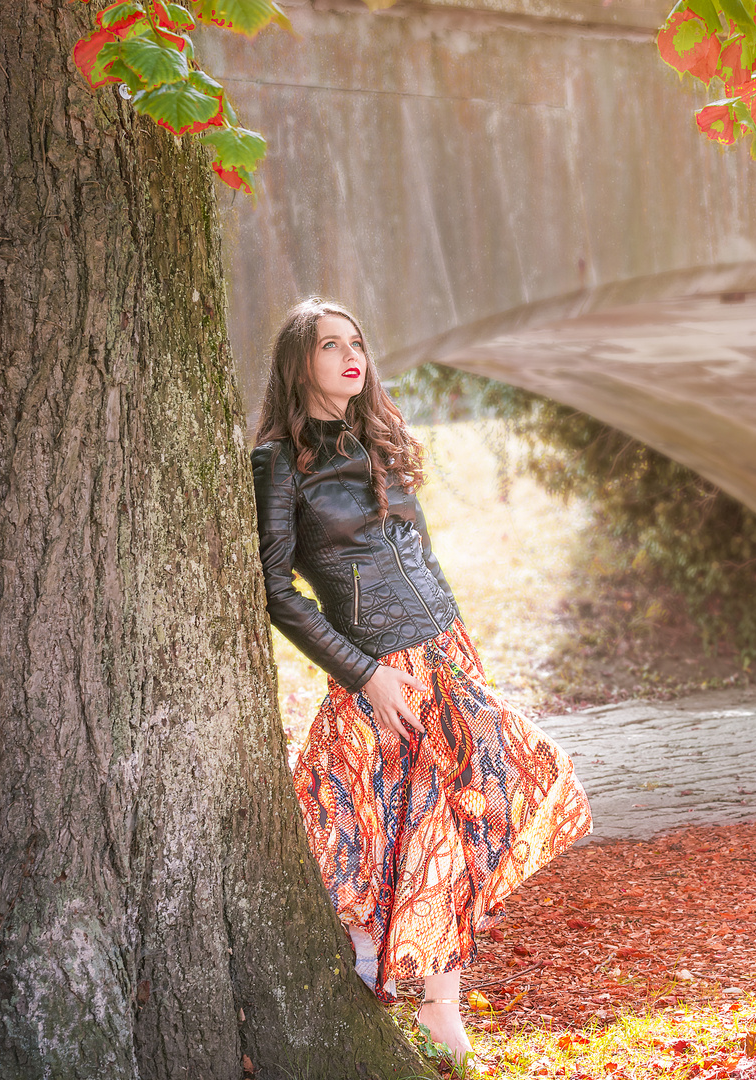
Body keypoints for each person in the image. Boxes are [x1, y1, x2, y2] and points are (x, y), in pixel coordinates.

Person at [250, 297, 592, 1063]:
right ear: (298, 362)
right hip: (376, 662)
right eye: (330, 344)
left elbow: (423, 557)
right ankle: (375, 947)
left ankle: (440, 1002)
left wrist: (462, 657)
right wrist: (367, 675)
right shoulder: (278, 461)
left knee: (487, 797)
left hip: (443, 649)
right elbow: (277, 592)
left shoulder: (380, 438)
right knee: (377, 810)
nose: (351, 355)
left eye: (357, 342)